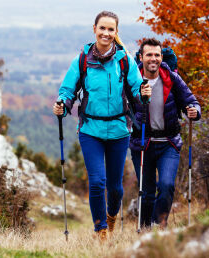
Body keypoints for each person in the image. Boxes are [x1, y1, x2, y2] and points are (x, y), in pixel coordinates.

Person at [53, 11, 144, 240]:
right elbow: (68, 90)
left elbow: (136, 90)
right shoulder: (82, 60)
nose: (106, 33)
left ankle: (111, 217)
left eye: (110, 29)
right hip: (90, 130)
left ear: (116, 32)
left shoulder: (125, 60)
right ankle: (100, 231)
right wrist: (63, 105)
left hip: (119, 130)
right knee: (96, 182)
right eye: (102, 28)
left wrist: (143, 93)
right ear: (94, 28)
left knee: (114, 188)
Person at [129, 38, 201, 229]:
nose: (153, 59)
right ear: (141, 57)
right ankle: (144, 230)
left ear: (162, 57)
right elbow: (124, 107)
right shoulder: (133, 80)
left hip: (169, 142)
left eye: (157, 55)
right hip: (142, 142)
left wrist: (194, 110)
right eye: (149, 55)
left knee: (167, 186)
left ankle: (158, 226)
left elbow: (190, 100)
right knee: (146, 192)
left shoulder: (171, 77)